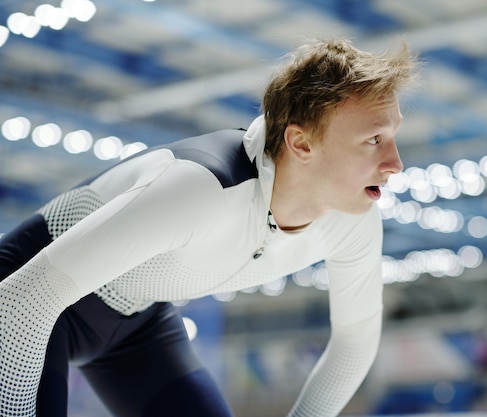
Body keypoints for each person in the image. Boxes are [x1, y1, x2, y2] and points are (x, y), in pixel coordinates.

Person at [0, 37, 417, 417]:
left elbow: (354, 344)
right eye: (373, 140)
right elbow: (22, 299)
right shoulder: (203, 188)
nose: (396, 163)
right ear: (301, 143)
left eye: (393, 136)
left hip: (137, 322)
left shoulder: (354, 221)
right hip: (23, 294)